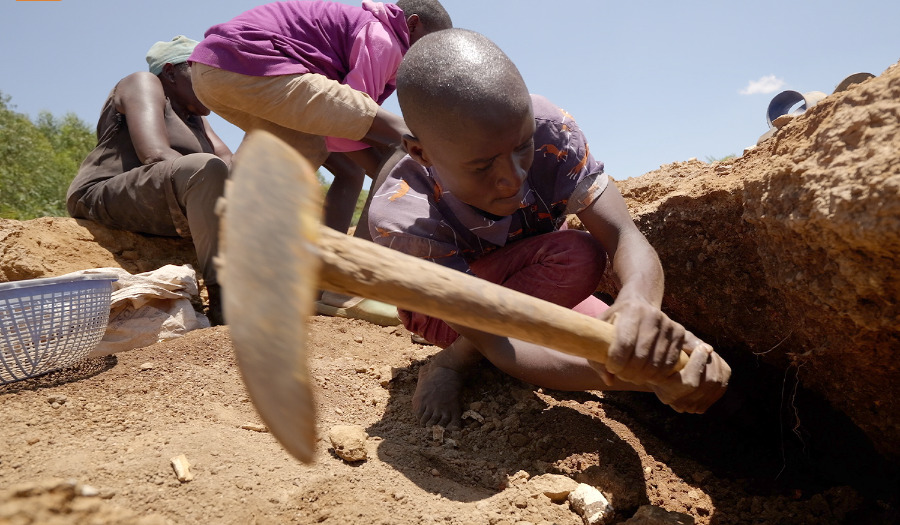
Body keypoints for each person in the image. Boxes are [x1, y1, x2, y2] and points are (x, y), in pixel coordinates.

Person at [367, 29, 732, 428]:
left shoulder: (550, 130)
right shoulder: (403, 218)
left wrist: (641, 310)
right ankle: (452, 362)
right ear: (421, 152)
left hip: (544, 281)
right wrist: (642, 376)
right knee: (578, 256)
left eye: (522, 146)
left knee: (621, 335)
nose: (513, 178)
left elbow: (623, 235)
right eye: (482, 166)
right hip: (449, 316)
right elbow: (501, 345)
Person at [188, 0, 452, 326]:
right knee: (405, 143)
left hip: (215, 73)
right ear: (411, 25)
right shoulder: (385, 37)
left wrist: (385, 175)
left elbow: (340, 132)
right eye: (432, 43)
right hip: (253, 63)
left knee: (348, 170)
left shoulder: (365, 34)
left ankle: (309, 283)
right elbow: (351, 122)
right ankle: (349, 286)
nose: (432, 56)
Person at [67, 36, 232, 325]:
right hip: (103, 193)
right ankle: (224, 298)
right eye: (204, 73)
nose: (213, 84)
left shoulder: (196, 118)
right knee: (205, 167)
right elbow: (154, 154)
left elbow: (230, 164)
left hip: (166, 203)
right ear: (170, 72)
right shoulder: (142, 82)